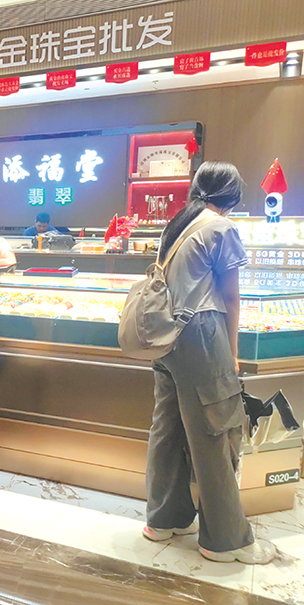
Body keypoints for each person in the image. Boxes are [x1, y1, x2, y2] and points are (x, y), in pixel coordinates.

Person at [143, 161, 276, 565]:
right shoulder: (221, 228)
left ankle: (164, 519)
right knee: (215, 434)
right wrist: (232, 352)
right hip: (201, 336)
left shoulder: (178, 224)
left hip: (167, 336)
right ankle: (226, 540)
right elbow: (231, 296)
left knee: (167, 428)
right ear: (232, 196)